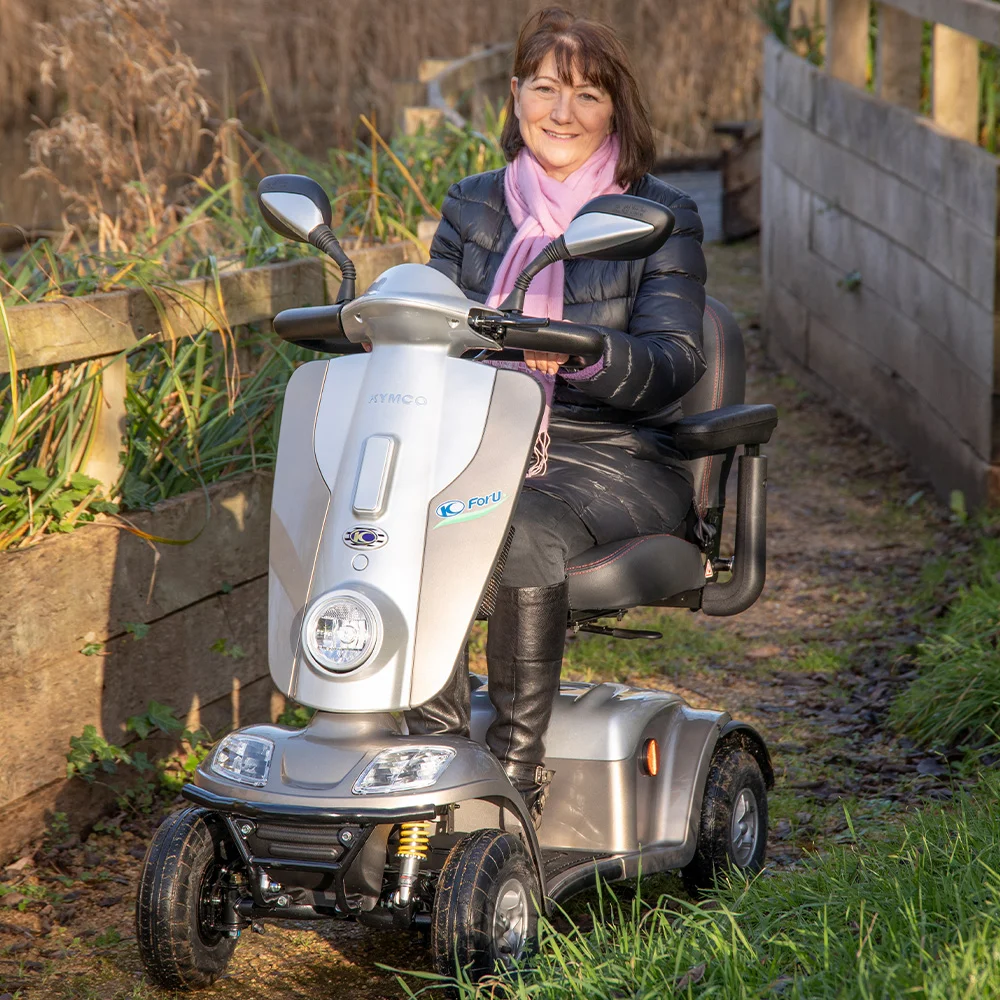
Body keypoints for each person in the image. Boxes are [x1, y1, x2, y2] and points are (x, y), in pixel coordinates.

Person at [406, 6, 707, 825]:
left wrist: (589, 353)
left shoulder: (660, 214)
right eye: (545, 88)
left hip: (614, 454)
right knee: (400, 508)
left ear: (616, 109)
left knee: (515, 521)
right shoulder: (471, 206)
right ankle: (433, 754)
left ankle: (513, 773)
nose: (562, 113)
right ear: (514, 96)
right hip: (482, 439)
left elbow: (678, 363)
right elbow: (434, 315)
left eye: (586, 94)